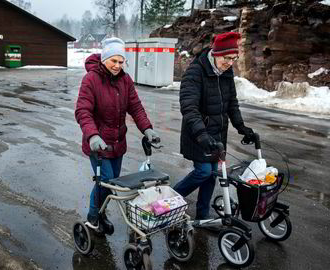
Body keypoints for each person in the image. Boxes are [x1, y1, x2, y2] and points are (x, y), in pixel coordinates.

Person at [75, 37, 158, 233]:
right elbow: (83, 111)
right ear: (104, 59)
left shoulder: (125, 80)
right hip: (98, 145)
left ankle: (101, 213)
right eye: (114, 61)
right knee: (106, 180)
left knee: (111, 183)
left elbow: (135, 107)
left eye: (121, 62)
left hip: (118, 143)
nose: (117, 66)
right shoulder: (91, 79)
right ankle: (93, 217)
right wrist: (93, 135)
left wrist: (147, 128)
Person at [174, 32, 256, 220]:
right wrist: (201, 134)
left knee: (211, 175)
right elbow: (189, 107)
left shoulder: (226, 73)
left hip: (218, 134)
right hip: (198, 134)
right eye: (227, 58)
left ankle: (202, 216)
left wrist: (241, 127)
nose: (229, 62)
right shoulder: (195, 72)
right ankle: (169, 198)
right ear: (215, 53)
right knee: (203, 171)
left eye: (233, 58)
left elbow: (232, 103)